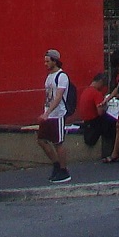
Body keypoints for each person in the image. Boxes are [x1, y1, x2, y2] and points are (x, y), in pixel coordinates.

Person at [36, 49, 73, 184]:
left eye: (47, 61)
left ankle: (64, 170)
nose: (45, 64)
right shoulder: (49, 76)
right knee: (42, 140)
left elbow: (58, 97)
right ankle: (56, 164)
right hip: (49, 113)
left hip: (57, 114)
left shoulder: (61, 76)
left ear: (54, 61)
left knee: (58, 143)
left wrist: (47, 113)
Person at [75, 71, 113, 157]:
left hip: (87, 122)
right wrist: (105, 107)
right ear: (100, 82)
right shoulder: (97, 94)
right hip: (94, 123)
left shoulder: (86, 91)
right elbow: (100, 112)